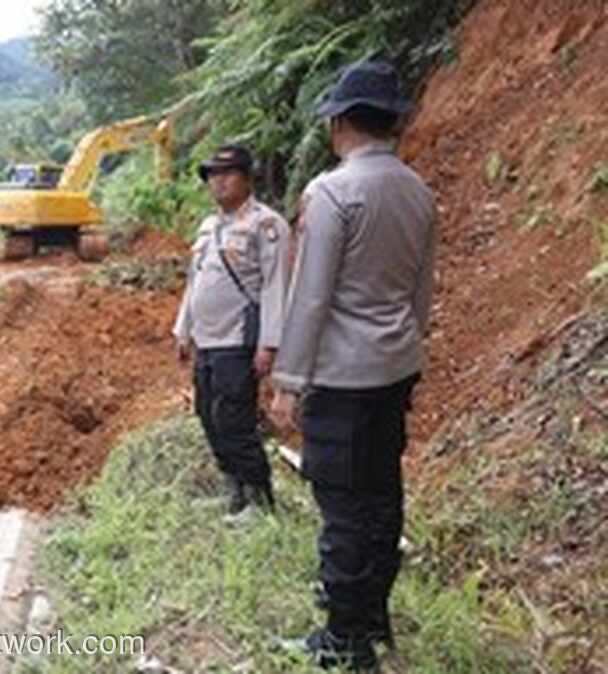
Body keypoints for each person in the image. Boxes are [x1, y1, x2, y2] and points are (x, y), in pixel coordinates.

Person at [270, 59, 437, 670]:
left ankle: (343, 640)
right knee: (381, 494)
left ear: (339, 123)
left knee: (341, 503)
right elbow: (422, 290)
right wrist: (403, 344)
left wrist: (289, 381)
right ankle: (373, 617)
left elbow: (311, 295)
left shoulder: (334, 192)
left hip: (343, 375)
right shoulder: (418, 191)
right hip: (395, 368)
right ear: (392, 123)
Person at [173, 144, 291, 523]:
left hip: (239, 340)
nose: (218, 182)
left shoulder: (266, 224)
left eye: (228, 174)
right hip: (207, 339)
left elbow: (275, 286)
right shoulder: (209, 227)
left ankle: (259, 497)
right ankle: (233, 490)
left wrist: (269, 344)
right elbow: (195, 281)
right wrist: (183, 329)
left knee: (235, 418)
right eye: (212, 176)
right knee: (209, 413)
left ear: (247, 178)